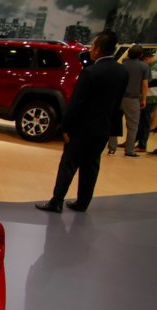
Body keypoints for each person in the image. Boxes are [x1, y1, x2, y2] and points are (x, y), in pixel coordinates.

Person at [36, 31, 128, 213]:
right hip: (103, 128)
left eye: (93, 46)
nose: (91, 49)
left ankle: (56, 201)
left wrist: (65, 127)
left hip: (82, 129)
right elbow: (117, 104)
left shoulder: (91, 72)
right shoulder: (121, 72)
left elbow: (77, 103)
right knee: (91, 166)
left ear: (98, 49)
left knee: (68, 164)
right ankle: (83, 202)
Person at [107, 45, 149, 157]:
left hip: (119, 97)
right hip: (133, 98)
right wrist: (144, 98)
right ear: (141, 55)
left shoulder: (122, 65)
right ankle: (129, 150)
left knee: (115, 121)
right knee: (132, 125)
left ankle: (111, 147)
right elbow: (144, 84)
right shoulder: (143, 66)